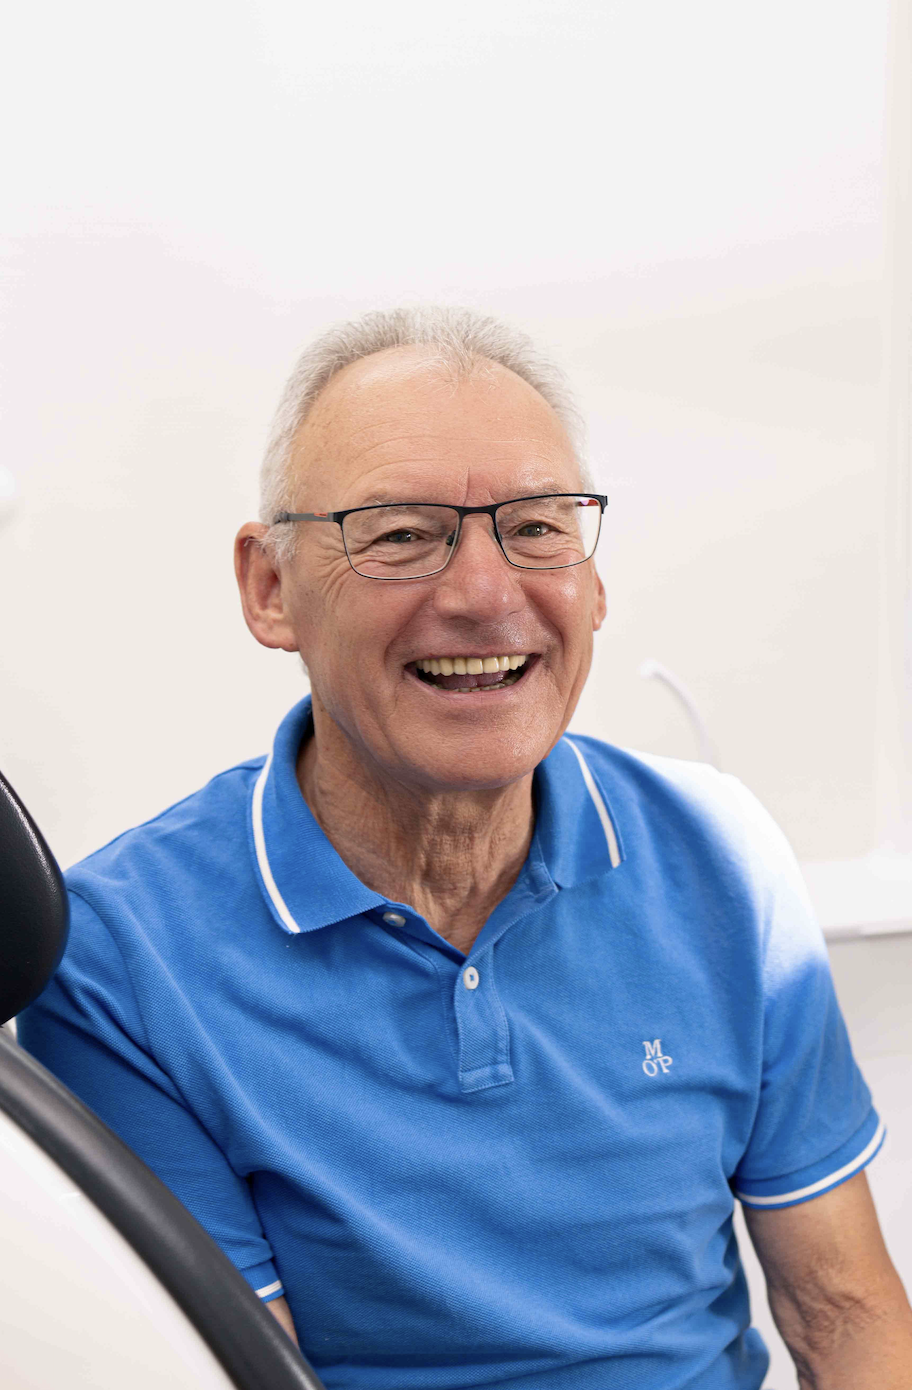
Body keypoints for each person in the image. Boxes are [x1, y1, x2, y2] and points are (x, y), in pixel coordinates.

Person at [19, 306, 912, 1389]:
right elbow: (233, 1374)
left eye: (535, 528)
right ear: (270, 588)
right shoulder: (119, 959)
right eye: (401, 534)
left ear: (593, 580)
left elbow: (843, 1312)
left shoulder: (722, 858)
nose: (487, 596)